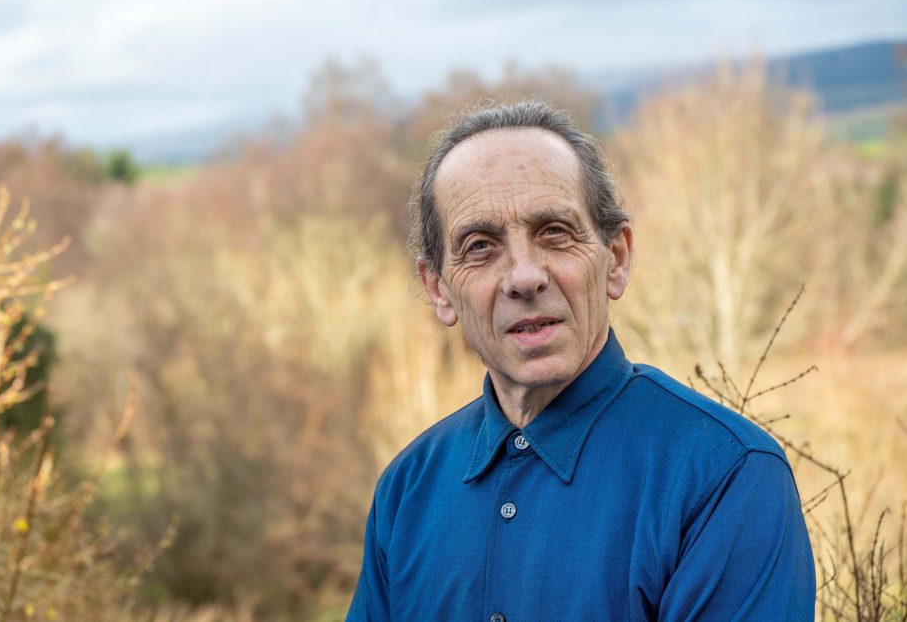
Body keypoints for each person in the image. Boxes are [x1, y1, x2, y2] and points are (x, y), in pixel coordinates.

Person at [346, 101, 815, 621]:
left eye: (554, 233)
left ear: (615, 258)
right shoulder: (407, 489)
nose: (524, 277)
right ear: (438, 289)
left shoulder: (727, 479)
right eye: (480, 246)